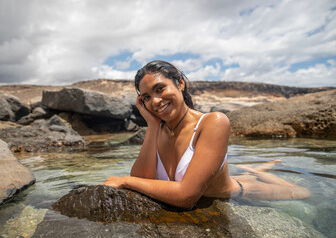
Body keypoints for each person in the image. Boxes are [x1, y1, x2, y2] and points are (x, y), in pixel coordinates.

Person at [101, 60, 310, 209]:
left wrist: (124, 180)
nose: (155, 101)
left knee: (304, 194)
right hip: (212, 179)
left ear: (180, 83)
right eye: (146, 97)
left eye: (160, 89)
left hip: (239, 192)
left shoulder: (213, 122)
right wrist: (152, 126)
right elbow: (142, 180)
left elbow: (186, 196)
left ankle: (258, 172)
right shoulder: (159, 129)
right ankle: (253, 169)